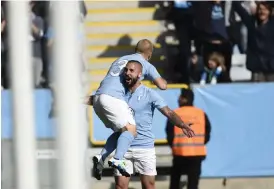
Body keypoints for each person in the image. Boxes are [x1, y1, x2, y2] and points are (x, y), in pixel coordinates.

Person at [89, 60, 195, 186]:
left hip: (144, 148)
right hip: (123, 149)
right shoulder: (117, 92)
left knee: (148, 186)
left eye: (131, 70)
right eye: (126, 70)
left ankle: (103, 157)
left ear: (140, 74)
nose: (127, 73)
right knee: (120, 186)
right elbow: (98, 99)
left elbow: (168, 112)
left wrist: (182, 124)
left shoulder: (149, 93)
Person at [88, 39, 168, 177]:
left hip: (98, 98)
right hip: (113, 99)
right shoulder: (143, 64)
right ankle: (118, 159)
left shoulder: (120, 60)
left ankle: (101, 157)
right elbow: (162, 86)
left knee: (122, 132)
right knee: (131, 129)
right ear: (149, 54)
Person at [166, 89, 211, 189]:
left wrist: (173, 145)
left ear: (184, 99)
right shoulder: (201, 113)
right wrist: (200, 143)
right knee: (193, 183)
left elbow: (169, 133)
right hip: (197, 154)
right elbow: (207, 132)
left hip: (179, 153)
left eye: (180, 97)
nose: (178, 99)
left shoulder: (175, 114)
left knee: (175, 182)